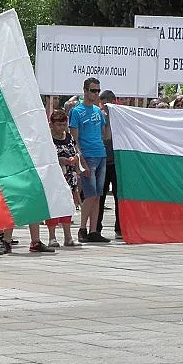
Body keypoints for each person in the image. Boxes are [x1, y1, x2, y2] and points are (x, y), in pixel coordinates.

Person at [70, 78, 109, 243]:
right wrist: (81, 160)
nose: (96, 94)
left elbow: (105, 135)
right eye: (93, 90)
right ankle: (82, 229)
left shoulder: (98, 111)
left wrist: (109, 119)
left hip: (101, 154)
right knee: (91, 194)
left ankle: (94, 231)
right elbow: (74, 139)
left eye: (98, 91)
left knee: (98, 195)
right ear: (85, 91)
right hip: (87, 156)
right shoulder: (77, 111)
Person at [45, 109, 81, 247]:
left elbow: (77, 151)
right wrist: (58, 160)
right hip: (54, 177)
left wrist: (75, 159)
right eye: (59, 125)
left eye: (64, 124)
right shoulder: (47, 139)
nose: (62, 128)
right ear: (52, 124)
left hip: (69, 177)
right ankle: (52, 237)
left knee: (67, 206)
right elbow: (45, 157)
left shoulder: (69, 137)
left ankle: (68, 237)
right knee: (53, 206)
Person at [96, 90, 120, 239]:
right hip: (102, 160)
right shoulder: (98, 116)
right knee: (100, 196)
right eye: (104, 102)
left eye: (109, 102)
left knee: (119, 196)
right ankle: (96, 228)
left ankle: (120, 228)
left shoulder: (121, 116)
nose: (106, 105)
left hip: (116, 162)